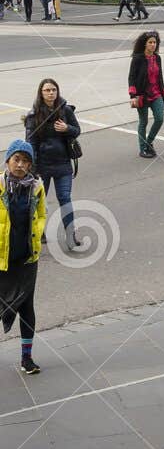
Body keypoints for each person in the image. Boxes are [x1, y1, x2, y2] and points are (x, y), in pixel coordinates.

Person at [0, 140, 47, 376]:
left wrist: (35, 236)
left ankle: (26, 358)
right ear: (8, 160)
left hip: (26, 260)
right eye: (16, 159)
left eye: (26, 161)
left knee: (27, 307)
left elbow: (41, 215)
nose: (21, 165)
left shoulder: (36, 187)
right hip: (1, 259)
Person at [24, 79, 82, 252]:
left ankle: (71, 236)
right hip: (42, 165)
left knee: (65, 198)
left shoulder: (65, 110)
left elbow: (77, 130)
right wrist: (32, 168)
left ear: (57, 91)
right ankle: (37, 233)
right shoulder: (33, 115)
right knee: (38, 201)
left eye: (53, 90)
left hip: (63, 163)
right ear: (41, 93)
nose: (51, 93)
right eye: (47, 90)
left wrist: (67, 128)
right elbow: (30, 142)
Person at [128, 30, 164, 158]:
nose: (153, 45)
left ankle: (149, 142)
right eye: (150, 42)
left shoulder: (158, 58)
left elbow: (160, 77)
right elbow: (132, 77)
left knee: (159, 119)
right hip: (142, 95)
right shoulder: (138, 58)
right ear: (145, 44)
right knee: (143, 121)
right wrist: (133, 96)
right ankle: (143, 148)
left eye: (155, 42)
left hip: (156, 94)